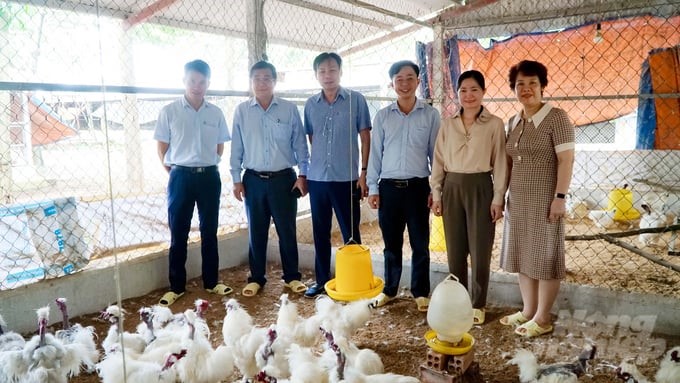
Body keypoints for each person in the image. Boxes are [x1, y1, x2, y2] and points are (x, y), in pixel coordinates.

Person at [499, 60, 575, 337]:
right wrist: (501, 196)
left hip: (546, 198)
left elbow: (566, 160)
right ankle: (528, 311)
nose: (526, 89)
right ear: (514, 89)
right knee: (523, 254)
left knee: (544, 255)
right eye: (520, 84)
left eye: (532, 83)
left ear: (543, 86)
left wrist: (560, 197)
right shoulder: (514, 120)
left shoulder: (557, 117)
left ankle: (543, 318)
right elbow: (508, 163)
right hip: (518, 198)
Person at [430, 70, 508, 325]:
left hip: (481, 186)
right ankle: (459, 300)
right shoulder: (448, 123)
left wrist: (498, 198)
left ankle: (478, 303)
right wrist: (437, 193)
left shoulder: (495, 124)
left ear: (483, 92)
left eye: (474, 89)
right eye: (463, 90)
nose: (468, 95)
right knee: (455, 249)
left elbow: (500, 164)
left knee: (480, 247)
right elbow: (439, 160)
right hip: (452, 186)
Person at [154, 59, 232, 306]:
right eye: (192, 81)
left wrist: (205, 165)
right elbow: (162, 148)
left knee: (210, 231)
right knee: (179, 232)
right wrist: (177, 171)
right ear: (184, 81)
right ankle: (176, 286)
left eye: (202, 82)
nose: (197, 86)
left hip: (209, 176)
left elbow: (219, 148)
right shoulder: (169, 111)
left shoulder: (215, 113)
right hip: (180, 177)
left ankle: (212, 282)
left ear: (208, 83)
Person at [230, 60, 310, 297]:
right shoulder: (242, 111)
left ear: (275, 81)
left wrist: (303, 175)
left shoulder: (288, 109)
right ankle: (256, 278)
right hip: (253, 180)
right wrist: (236, 179)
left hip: (284, 180)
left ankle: (292, 277)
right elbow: (236, 148)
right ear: (251, 82)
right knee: (256, 231)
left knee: (287, 230)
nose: (262, 83)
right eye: (257, 78)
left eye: (267, 78)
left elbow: (300, 146)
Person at [367, 60, 440, 312]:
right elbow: (375, 155)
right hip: (388, 189)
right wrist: (373, 188)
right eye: (399, 79)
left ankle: (421, 292)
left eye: (410, 78)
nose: (405, 84)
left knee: (420, 243)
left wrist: (435, 189)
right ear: (392, 83)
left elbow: (436, 156)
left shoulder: (430, 115)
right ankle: (390, 289)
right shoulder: (383, 116)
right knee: (391, 244)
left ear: (419, 82)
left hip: (418, 187)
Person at [303, 52, 372, 298]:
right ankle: (322, 281)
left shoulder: (355, 100)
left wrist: (363, 173)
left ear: (340, 72)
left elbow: (365, 137)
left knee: (350, 233)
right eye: (322, 71)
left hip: (347, 179)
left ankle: (354, 282)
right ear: (316, 75)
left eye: (332, 70)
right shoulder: (311, 104)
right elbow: (312, 138)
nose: (327, 75)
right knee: (319, 232)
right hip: (318, 178)